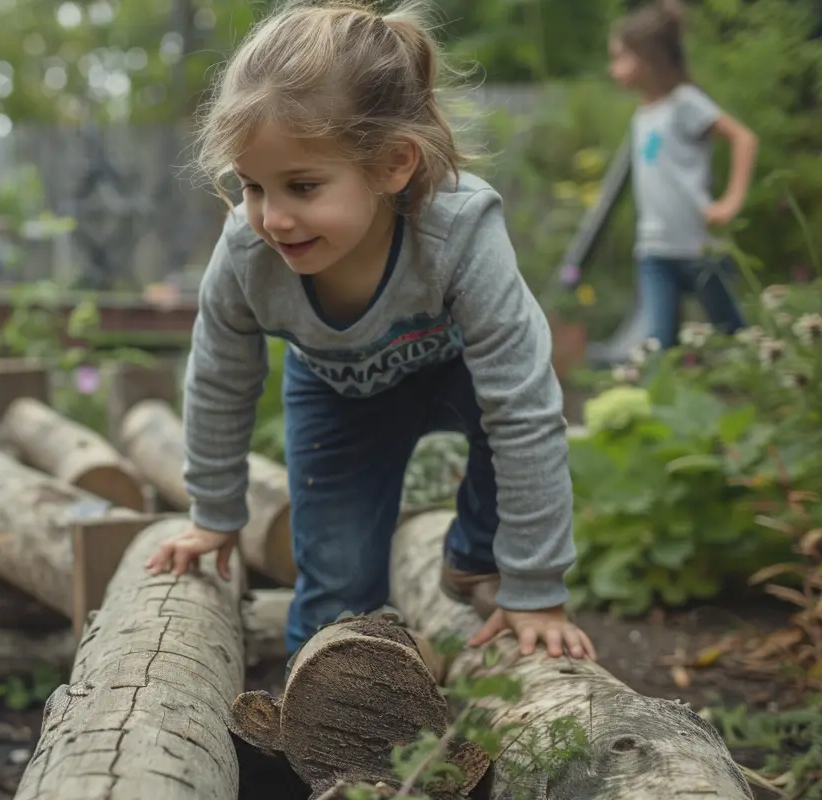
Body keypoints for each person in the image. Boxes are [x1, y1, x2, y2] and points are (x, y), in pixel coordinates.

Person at [142, 0, 597, 662]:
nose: (274, 218)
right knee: (337, 588)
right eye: (253, 187)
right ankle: (324, 727)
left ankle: (476, 557)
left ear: (393, 165)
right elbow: (218, 378)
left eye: (302, 185)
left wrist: (536, 587)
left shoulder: (459, 230)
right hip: (337, 393)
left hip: (459, 372)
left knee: (510, 416)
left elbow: (525, 407)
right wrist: (214, 516)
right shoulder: (247, 252)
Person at [609, 0, 759, 351]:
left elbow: (744, 138)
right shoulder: (642, 115)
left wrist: (731, 201)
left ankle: (767, 394)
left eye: (620, 57)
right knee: (659, 345)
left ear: (649, 56)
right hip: (654, 250)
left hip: (699, 248)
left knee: (734, 337)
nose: (613, 68)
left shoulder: (685, 102)